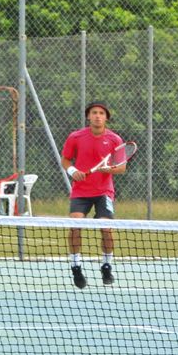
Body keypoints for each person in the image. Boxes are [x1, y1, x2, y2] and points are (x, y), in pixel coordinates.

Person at [61, 102, 127, 286]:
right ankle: (76, 267)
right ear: (88, 116)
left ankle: (106, 266)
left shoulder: (115, 139)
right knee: (75, 226)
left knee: (106, 229)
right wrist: (73, 171)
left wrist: (109, 169)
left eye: (101, 113)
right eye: (94, 113)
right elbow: (65, 160)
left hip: (104, 192)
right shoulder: (75, 137)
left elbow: (122, 167)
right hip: (81, 191)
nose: (98, 116)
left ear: (106, 118)